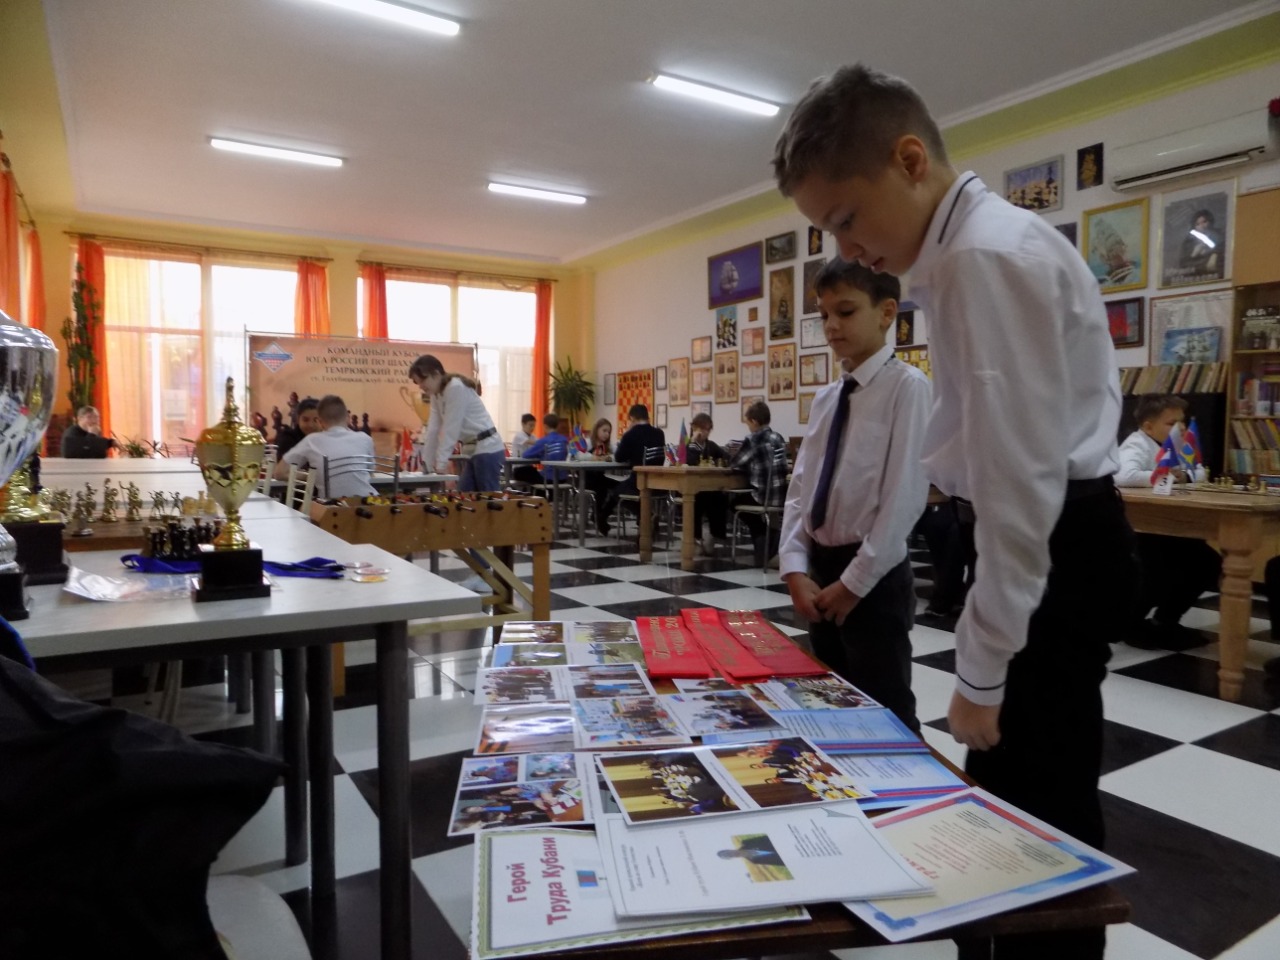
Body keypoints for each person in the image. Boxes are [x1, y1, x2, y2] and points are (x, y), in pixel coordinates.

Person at [774, 63, 1137, 960]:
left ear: (909, 161)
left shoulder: (982, 257)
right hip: (1057, 534)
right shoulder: (979, 249)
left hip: (1050, 544)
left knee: (1038, 803)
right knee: (1018, 795)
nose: (849, 247)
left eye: (848, 218)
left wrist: (978, 675)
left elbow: (1019, 489)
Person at [779, 259, 930, 732]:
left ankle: (905, 778)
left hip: (873, 575)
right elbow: (802, 488)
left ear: (886, 312)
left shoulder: (908, 389)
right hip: (822, 570)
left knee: (886, 708)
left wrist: (854, 583)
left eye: (845, 312)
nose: (831, 325)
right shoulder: (828, 399)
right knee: (832, 696)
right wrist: (794, 566)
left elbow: (905, 498)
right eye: (824, 314)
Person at [1115, 394, 1219, 651]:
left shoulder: (1179, 445)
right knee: (1158, 571)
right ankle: (1131, 624)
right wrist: (1165, 475)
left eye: (1182, 421)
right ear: (1148, 427)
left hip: (1174, 526)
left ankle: (1165, 620)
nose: (1181, 428)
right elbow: (1124, 476)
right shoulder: (1137, 444)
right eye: (1172, 423)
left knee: (1208, 564)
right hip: (1143, 529)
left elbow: (1200, 472)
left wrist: (1182, 475)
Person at [408, 354, 506, 492]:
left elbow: (451, 428)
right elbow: (433, 429)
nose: (421, 386)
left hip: (487, 448)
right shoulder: (436, 394)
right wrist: (427, 464)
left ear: (436, 374)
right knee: (464, 497)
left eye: (423, 380)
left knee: (488, 499)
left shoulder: (455, 387)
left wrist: (441, 463)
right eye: (417, 383)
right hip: (472, 450)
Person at [275, 394, 375, 500]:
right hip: (368, 502)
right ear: (348, 418)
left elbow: (279, 473)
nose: (311, 425)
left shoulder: (312, 440)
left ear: (320, 422)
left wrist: (313, 475)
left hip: (332, 504)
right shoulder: (365, 438)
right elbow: (370, 472)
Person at [728, 401, 789, 565]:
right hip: (780, 495)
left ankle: (767, 535)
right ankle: (768, 542)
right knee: (752, 510)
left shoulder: (753, 440)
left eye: (748, 423)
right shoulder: (778, 437)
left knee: (733, 503)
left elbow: (735, 463)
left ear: (754, 421)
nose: (748, 427)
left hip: (762, 496)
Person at [598, 404, 664, 536]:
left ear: (632, 418)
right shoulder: (659, 433)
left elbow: (619, 457)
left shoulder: (630, 434)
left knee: (617, 492)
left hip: (638, 481)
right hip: (658, 483)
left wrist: (628, 435)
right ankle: (645, 518)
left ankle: (645, 516)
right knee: (621, 488)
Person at [685, 412, 730, 555]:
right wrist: (693, 442)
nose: (705, 432)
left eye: (707, 429)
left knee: (720, 498)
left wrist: (719, 462)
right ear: (694, 428)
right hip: (691, 488)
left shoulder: (711, 445)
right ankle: (695, 537)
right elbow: (689, 461)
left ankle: (714, 534)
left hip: (709, 487)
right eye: (702, 429)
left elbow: (726, 457)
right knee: (696, 502)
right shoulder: (687, 445)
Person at [512, 413, 563, 486]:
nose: (532, 428)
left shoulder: (533, 436)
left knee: (541, 476)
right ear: (523, 424)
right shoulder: (519, 435)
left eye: (534, 426)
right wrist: (546, 442)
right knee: (541, 477)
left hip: (529, 467)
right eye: (530, 425)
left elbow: (539, 446)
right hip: (519, 469)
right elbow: (535, 443)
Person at [1179, 208, 1224, 276]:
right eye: (1198, 224)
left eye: (1204, 222)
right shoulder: (1188, 242)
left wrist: (1214, 255)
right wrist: (1193, 254)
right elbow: (1183, 264)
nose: (1202, 226)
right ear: (1194, 226)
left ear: (1210, 222)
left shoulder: (1219, 234)